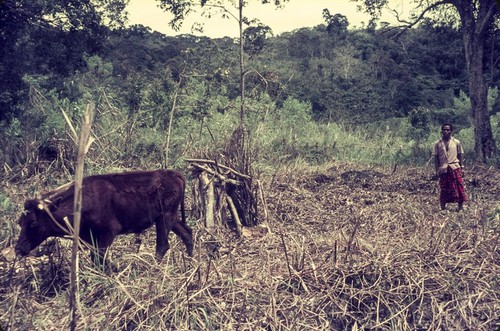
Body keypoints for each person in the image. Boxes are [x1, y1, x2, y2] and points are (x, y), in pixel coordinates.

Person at [432, 124, 467, 211]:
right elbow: (436, 157)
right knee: (444, 188)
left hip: (455, 167)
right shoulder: (437, 143)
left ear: (451, 131)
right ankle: (443, 208)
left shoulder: (456, 142)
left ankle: (460, 207)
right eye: (444, 130)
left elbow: (460, 155)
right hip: (443, 168)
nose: (446, 131)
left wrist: (462, 167)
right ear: (442, 131)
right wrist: (436, 170)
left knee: (459, 187)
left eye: (448, 130)